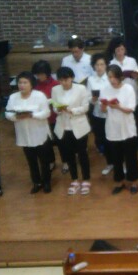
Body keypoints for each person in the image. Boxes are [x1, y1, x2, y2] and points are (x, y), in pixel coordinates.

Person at [5, 72, 53, 194]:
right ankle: (36, 182)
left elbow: (46, 113)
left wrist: (32, 115)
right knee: (31, 161)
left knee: (44, 161)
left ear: (31, 84)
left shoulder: (39, 96)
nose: (22, 85)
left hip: (39, 133)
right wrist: (16, 116)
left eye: (25, 82)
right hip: (24, 134)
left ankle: (47, 182)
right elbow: (8, 113)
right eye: (20, 82)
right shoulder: (13, 97)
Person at [51, 67, 92, 196]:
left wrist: (72, 110)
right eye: (61, 80)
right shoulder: (55, 89)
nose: (64, 83)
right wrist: (58, 109)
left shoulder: (81, 88)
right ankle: (74, 179)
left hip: (79, 126)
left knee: (82, 154)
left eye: (66, 80)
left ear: (72, 78)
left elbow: (85, 107)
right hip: (63, 127)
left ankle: (86, 179)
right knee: (69, 155)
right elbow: (54, 107)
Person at [101, 64, 138, 195]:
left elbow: (131, 109)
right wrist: (104, 105)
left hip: (127, 128)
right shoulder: (105, 89)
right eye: (109, 77)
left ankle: (133, 182)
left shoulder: (128, 88)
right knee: (116, 158)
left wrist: (117, 106)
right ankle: (119, 182)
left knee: (131, 157)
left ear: (120, 77)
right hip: (113, 127)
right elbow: (103, 110)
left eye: (114, 77)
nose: (112, 80)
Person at [108, 37, 138, 152]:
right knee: (122, 119)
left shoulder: (131, 60)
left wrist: (136, 75)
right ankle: (124, 143)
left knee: (136, 120)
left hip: (133, 92)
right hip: (119, 95)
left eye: (122, 49)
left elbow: (137, 75)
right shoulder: (111, 63)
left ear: (125, 50)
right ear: (114, 50)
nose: (120, 52)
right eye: (118, 50)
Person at [32, 60, 63, 173]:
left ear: (47, 73)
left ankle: (65, 161)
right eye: (37, 74)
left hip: (56, 118)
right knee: (46, 143)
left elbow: (60, 101)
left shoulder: (56, 84)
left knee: (61, 142)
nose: (39, 76)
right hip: (42, 120)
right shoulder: (34, 85)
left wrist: (50, 101)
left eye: (41, 74)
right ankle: (51, 161)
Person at [87, 54, 112, 173]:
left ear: (106, 65)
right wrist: (93, 99)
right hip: (98, 113)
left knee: (113, 139)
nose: (99, 67)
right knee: (102, 138)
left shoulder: (111, 78)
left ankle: (120, 162)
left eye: (102, 64)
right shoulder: (91, 79)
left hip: (111, 113)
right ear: (93, 66)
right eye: (97, 65)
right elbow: (88, 97)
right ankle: (109, 163)